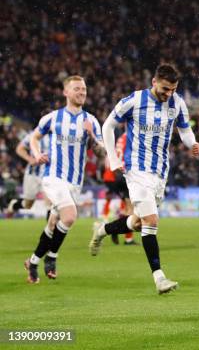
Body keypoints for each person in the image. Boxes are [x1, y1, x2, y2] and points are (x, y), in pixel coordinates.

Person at [89, 64, 199, 294]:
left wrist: (193, 143)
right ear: (153, 82)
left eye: (172, 89)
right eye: (164, 88)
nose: (167, 94)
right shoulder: (134, 100)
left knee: (139, 221)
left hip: (161, 172)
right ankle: (159, 278)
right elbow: (108, 125)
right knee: (151, 220)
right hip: (136, 170)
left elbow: (185, 129)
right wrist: (112, 158)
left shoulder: (177, 102)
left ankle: (102, 230)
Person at [24, 75, 105, 283]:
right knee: (69, 216)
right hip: (53, 177)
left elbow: (102, 153)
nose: (82, 93)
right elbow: (34, 137)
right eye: (77, 89)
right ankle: (51, 257)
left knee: (53, 223)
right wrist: (36, 154)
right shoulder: (52, 118)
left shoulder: (91, 121)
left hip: (75, 182)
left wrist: (93, 137)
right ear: (66, 92)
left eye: (84, 89)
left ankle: (33, 261)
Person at [99, 132, 136, 245]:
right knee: (131, 209)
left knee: (127, 207)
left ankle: (119, 230)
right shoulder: (132, 136)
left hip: (112, 177)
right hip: (118, 176)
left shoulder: (121, 138)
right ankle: (118, 231)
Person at [6, 131, 51, 218]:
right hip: (32, 174)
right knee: (28, 204)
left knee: (50, 203)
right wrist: (29, 159)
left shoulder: (58, 134)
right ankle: (14, 205)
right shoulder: (33, 134)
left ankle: (51, 230)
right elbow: (19, 148)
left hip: (48, 175)